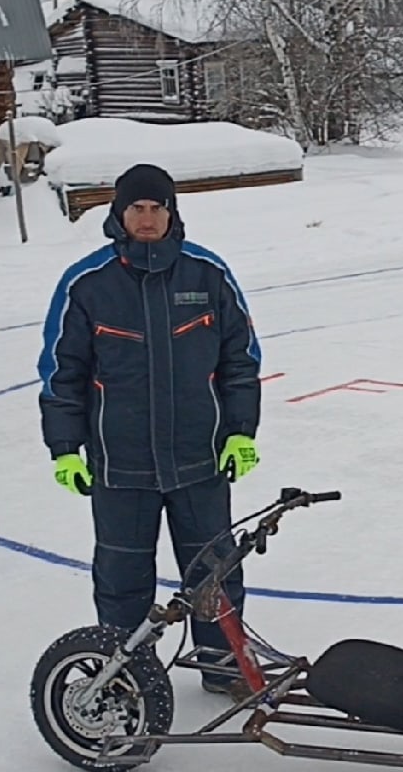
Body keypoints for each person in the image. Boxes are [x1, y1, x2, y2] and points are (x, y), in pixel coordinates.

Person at [36, 163, 262, 694]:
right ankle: (125, 674)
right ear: (118, 213)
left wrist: (240, 432)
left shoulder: (207, 275)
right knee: (122, 582)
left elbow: (240, 362)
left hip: (200, 461)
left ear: (171, 212)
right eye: (136, 207)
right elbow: (61, 371)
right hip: (121, 467)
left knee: (214, 574)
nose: (147, 217)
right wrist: (65, 448)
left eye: (157, 207)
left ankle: (223, 664)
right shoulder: (86, 283)